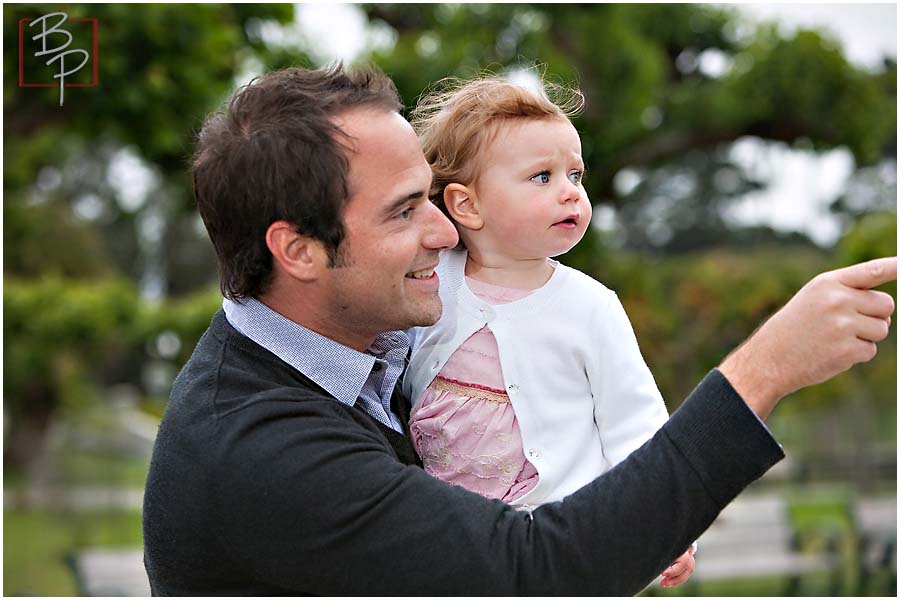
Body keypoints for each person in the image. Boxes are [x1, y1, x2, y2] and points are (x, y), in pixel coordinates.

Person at [142, 64, 896, 596]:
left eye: (434, 198)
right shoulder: (257, 447)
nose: (444, 232)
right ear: (297, 250)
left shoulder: (350, 352)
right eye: (405, 210)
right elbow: (535, 577)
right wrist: (765, 371)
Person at [403, 75, 695, 587]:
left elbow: (636, 425)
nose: (570, 193)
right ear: (466, 204)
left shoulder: (590, 307)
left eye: (576, 176)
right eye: (542, 177)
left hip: (561, 537)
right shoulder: (431, 285)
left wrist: (668, 526)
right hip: (452, 539)